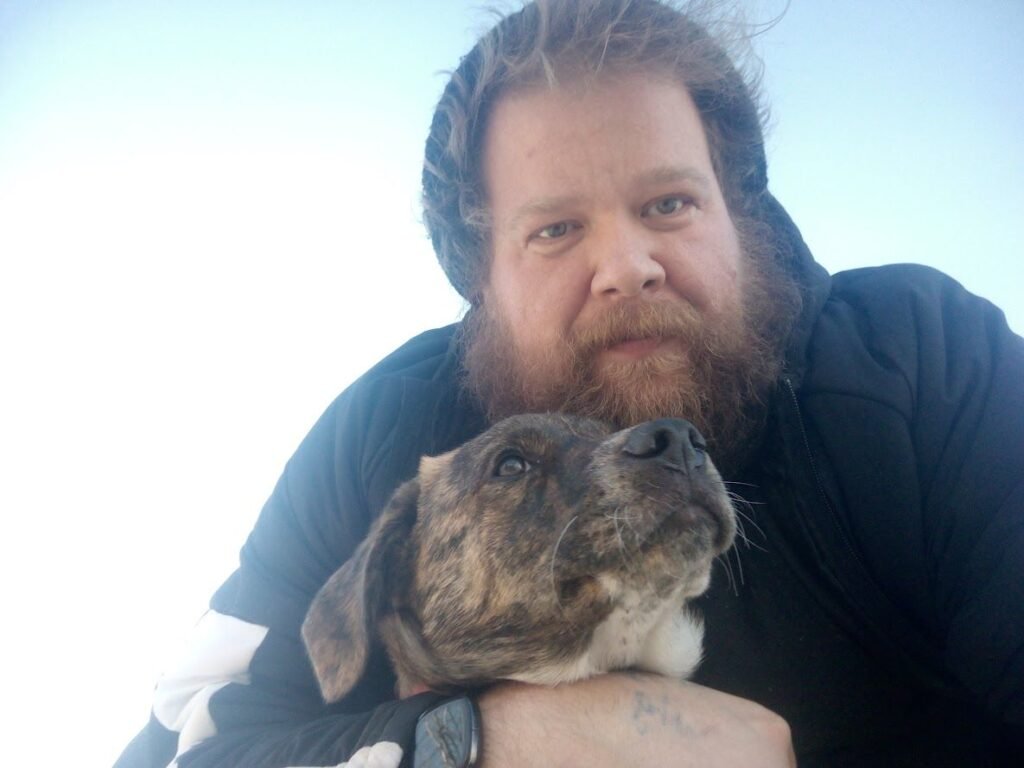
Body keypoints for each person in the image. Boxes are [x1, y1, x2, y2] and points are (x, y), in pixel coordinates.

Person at [114, 1, 1024, 766]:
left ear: (737, 216)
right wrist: (474, 744)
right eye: (555, 230)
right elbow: (183, 747)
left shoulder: (917, 360)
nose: (628, 266)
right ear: (480, 278)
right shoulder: (380, 437)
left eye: (669, 204)